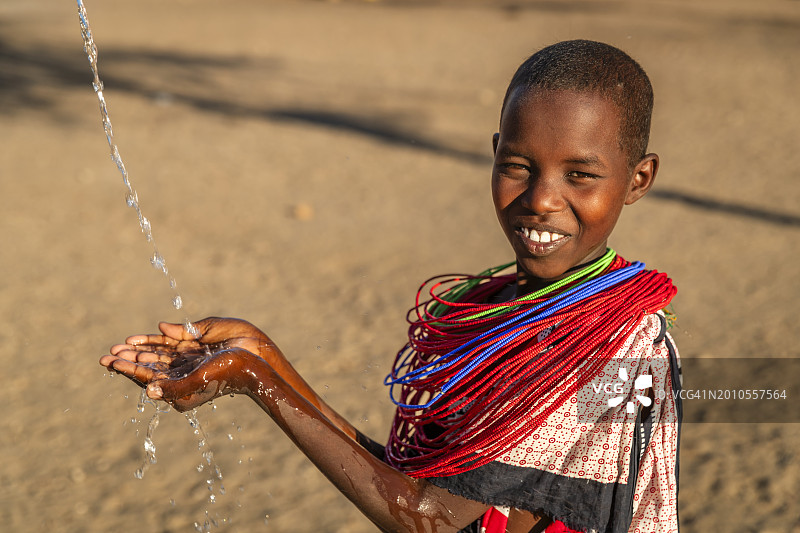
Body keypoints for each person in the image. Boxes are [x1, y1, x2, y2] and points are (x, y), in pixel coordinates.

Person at [100, 40, 681, 533]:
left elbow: (429, 517)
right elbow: (430, 486)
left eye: (579, 175)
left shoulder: (614, 346)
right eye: (519, 166)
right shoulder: (516, 307)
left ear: (638, 179)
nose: (542, 199)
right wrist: (261, 352)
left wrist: (256, 380)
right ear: (494, 152)